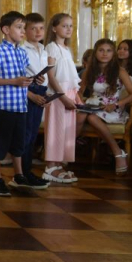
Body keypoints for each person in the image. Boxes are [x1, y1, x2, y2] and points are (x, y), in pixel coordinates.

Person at [0, 11, 34, 196]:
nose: (23, 31)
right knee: (0, 142)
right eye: (19, 27)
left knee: (18, 143)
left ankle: (18, 174)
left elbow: (23, 75)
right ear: (6, 29)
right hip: (4, 106)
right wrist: (14, 81)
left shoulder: (22, 52)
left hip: (20, 105)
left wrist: (33, 80)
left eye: (24, 28)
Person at [77, 39, 132, 175]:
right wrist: (81, 101)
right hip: (92, 105)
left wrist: (116, 104)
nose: (105, 54)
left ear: (113, 53)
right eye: (101, 50)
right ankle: (65, 154)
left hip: (112, 107)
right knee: (81, 114)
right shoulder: (89, 71)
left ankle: (117, 152)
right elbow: (79, 91)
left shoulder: (120, 71)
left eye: (109, 50)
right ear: (96, 52)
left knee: (91, 118)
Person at [43, 13, 80, 184]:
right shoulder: (51, 47)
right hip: (58, 93)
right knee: (55, 129)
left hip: (69, 93)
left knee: (65, 131)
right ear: (54, 28)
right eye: (64, 25)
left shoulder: (67, 49)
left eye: (71, 26)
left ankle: (58, 164)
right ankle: (50, 165)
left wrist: (76, 96)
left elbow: (71, 77)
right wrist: (63, 96)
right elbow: (51, 76)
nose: (68, 29)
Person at [21, 13, 52, 189]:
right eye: (33, 28)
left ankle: (28, 171)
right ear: (25, 30)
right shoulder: (22, 50)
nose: (38, 31)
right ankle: (23, 173)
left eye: (41, 28)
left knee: (32, 136)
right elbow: (19, 75)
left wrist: (45, 92)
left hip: (40, 90)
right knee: (25, 135)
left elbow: (43, 74)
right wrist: (31, 93)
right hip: (27, 91)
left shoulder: (44, 49)